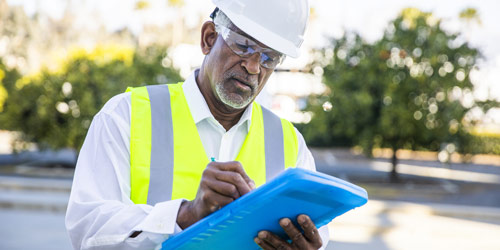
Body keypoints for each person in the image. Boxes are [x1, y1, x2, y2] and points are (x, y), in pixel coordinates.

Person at [65, 0, 330, 249]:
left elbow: (319, 235)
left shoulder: (289, 143)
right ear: (209, 38)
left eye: (269, 58)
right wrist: (185, 215)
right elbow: (87, 228)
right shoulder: (125, 115)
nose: (253, 67)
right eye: (243, 45)